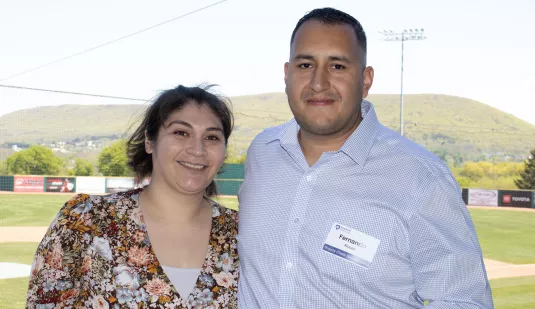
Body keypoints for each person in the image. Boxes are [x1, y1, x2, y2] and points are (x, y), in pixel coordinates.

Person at [237, 7, 493, 308]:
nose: (318, 83)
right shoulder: (262, 152)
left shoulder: (421, 179)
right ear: (287, 74)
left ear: (366, 79)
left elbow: (463, 301)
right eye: (306, 64)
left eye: (338, 66)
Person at [27, 85, 239, 308]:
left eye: (212, 137)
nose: (198, 149)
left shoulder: (241, 234)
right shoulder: (85, 220)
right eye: (181, 132)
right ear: (150, 141)